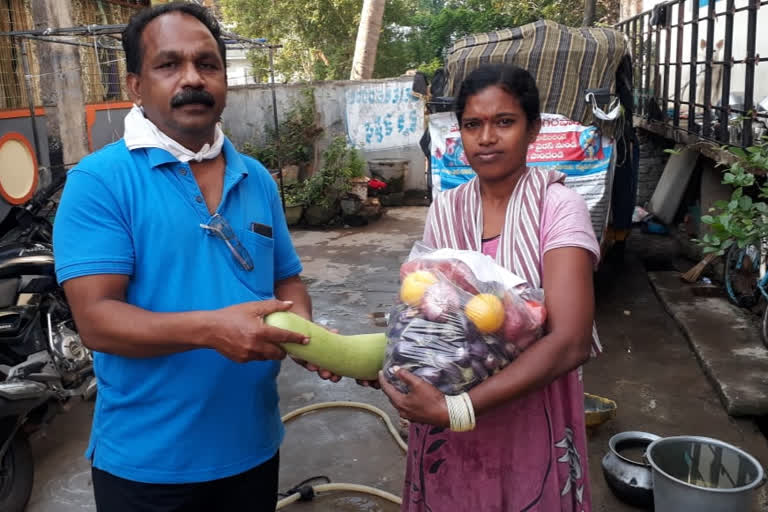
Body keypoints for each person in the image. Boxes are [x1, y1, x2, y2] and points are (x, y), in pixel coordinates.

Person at [53, 3, 326, 510]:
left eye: (207, 64)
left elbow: (287, 279)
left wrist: (306, 335)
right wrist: (212, 330)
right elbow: (97, 321)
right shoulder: (100, 182)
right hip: (149, 466)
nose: (192, 79)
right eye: (168, 65)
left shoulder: (257, 178)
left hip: (253, 449)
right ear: (135, 85)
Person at [378, 64, 602, 511]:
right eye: (472, 124)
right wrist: (392, 365)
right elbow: (427, 310)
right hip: (443, 403)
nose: (486, 138)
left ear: (533, 129)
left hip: (525, 412)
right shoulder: (447, 208)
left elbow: (571, 342)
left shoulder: (558, 208)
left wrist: (458, 410)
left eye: (504, 122)